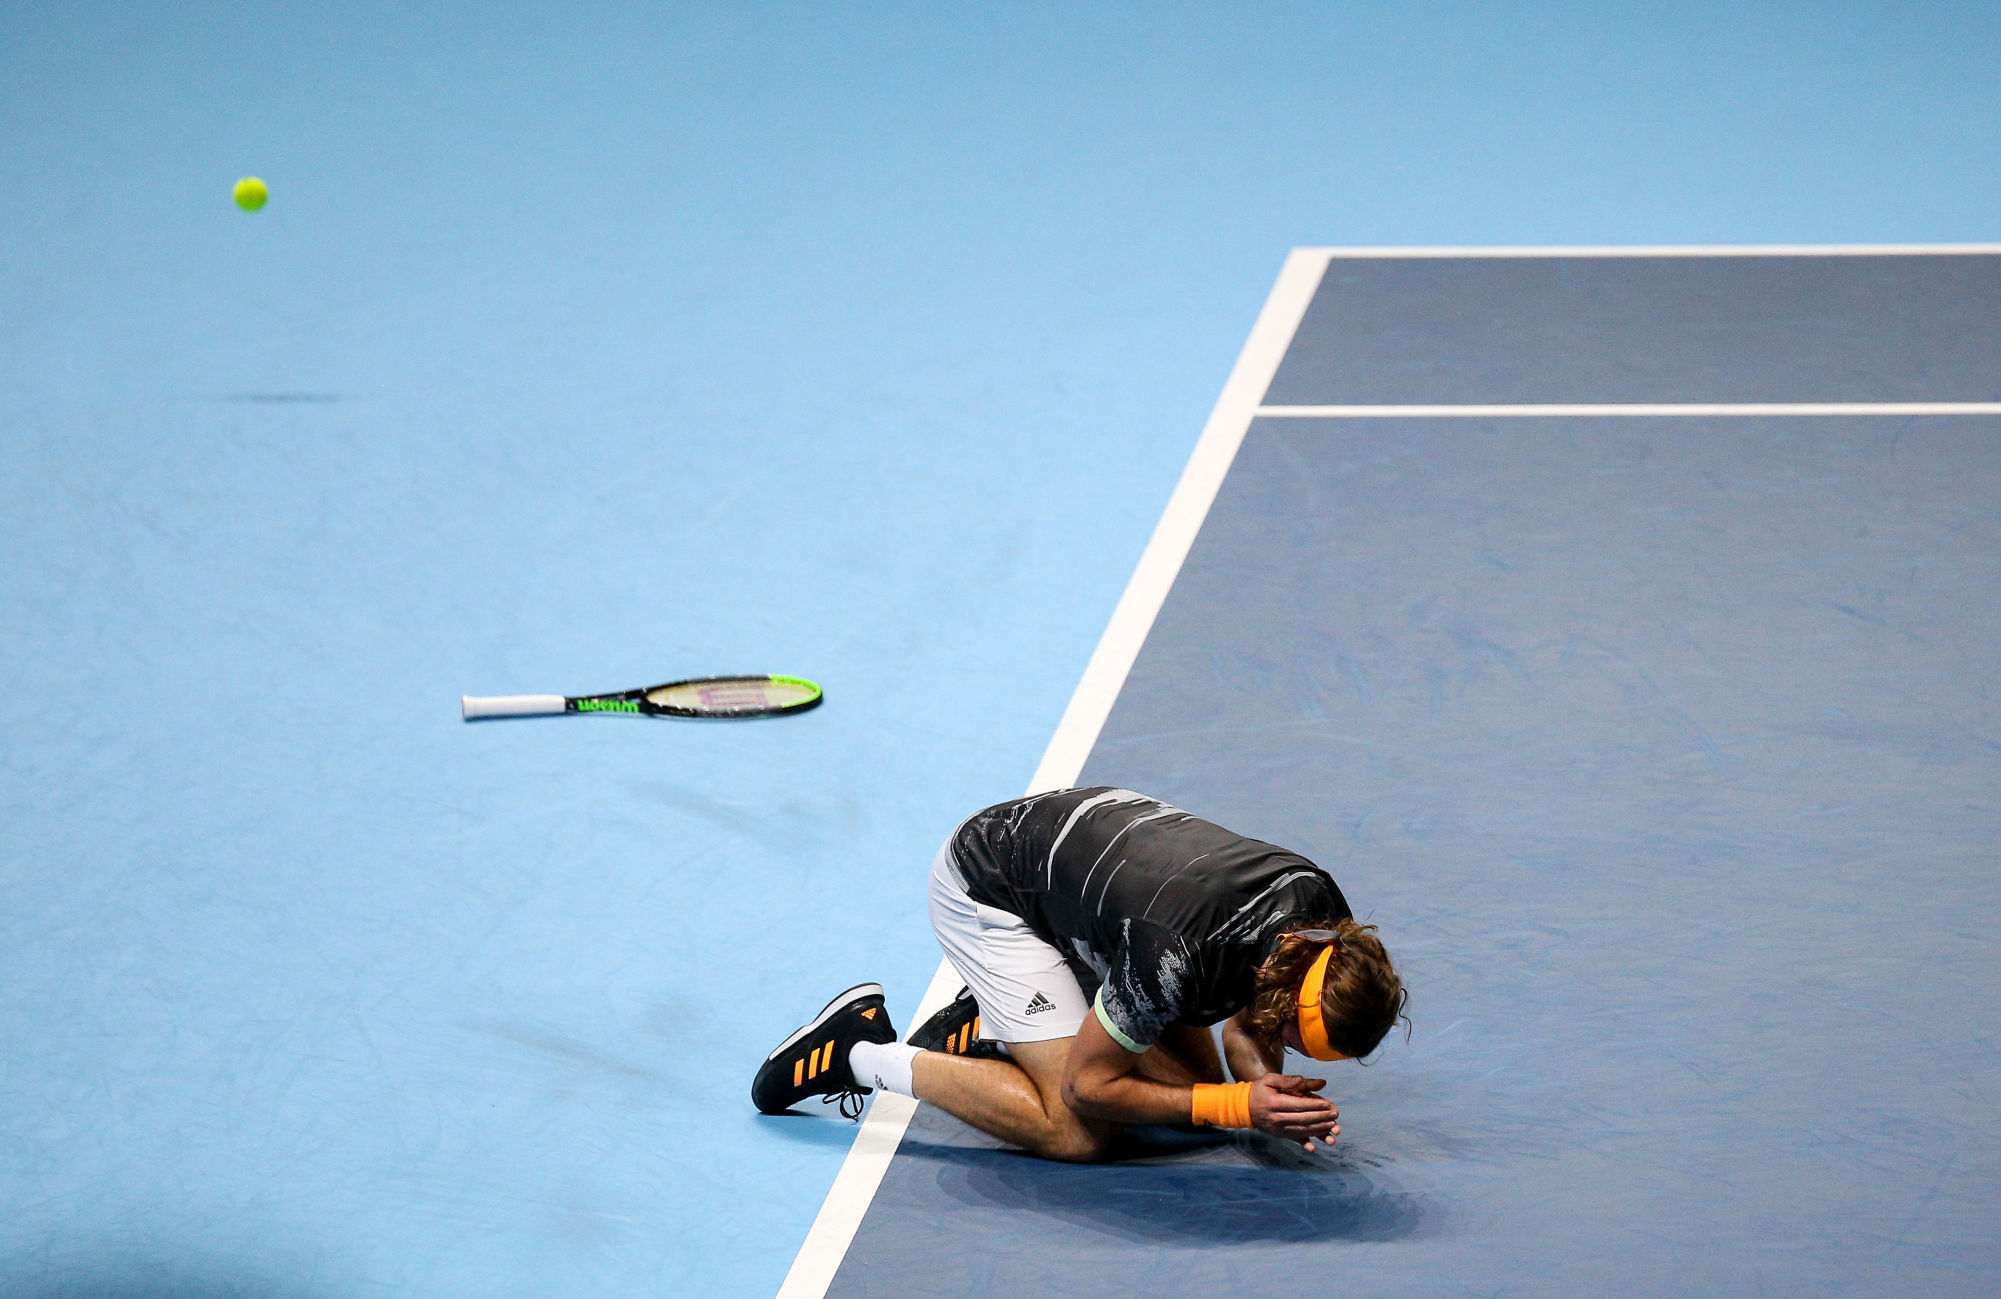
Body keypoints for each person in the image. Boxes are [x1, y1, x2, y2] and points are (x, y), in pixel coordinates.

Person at [751, 787, 1406, 1161]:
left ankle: (1008, 1019)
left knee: (1193, 1099)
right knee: (1080, 1131)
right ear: (1295, 986)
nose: (1286, 1045)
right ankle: (856, 1050)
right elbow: (1087, 1087)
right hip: (991, 888)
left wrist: (1265, 1087)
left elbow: (1248, 1020)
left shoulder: (1320, 919)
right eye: (1295, 1038)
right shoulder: (1173, 957)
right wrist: (1239, 1104)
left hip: (1105, 871)